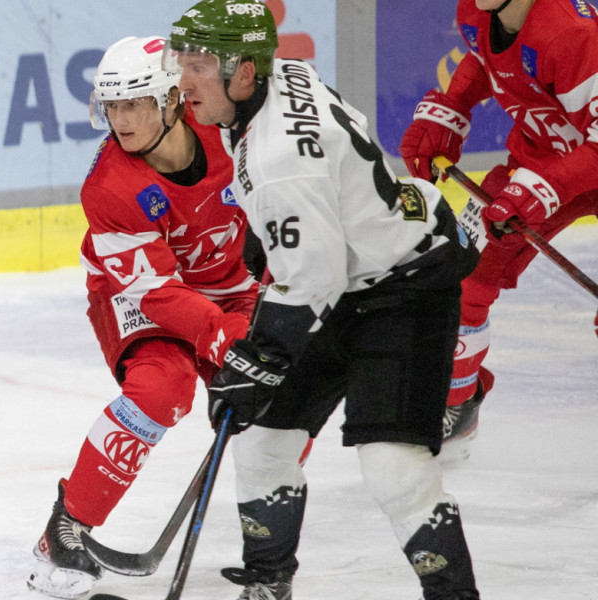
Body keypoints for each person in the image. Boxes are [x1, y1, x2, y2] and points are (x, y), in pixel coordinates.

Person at [169, 1, 486, 599]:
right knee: (261, 442)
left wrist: (260, 358)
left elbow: (309, 281)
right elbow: (321, 221)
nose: (184, 80)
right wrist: (276, 236)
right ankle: (267, 584)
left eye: (200, 65)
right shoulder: (277, 74)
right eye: (181, 60)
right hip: (345, 269)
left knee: (394, 469)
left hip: (406, 286)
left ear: (243, 72)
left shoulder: (280, 158)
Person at [26, 35, 257, 600]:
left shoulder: (226, 128)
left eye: (135, 104)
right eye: (113, 106)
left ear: (173, 99)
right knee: (163, 388)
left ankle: (269, 546)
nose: (121, 120)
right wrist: (219, 335)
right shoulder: (110, 186)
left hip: (237, 287)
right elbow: (155, 292)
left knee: (274, 395)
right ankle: (67, 528)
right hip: (137, 297)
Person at [396, 0, 598, 463]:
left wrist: (551, 185)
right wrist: (452, 107)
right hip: (540, 161)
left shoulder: (573, 34)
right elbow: (486, 61)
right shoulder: (475, 11)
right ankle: (456, 404)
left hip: (580, 161)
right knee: (465, 272)